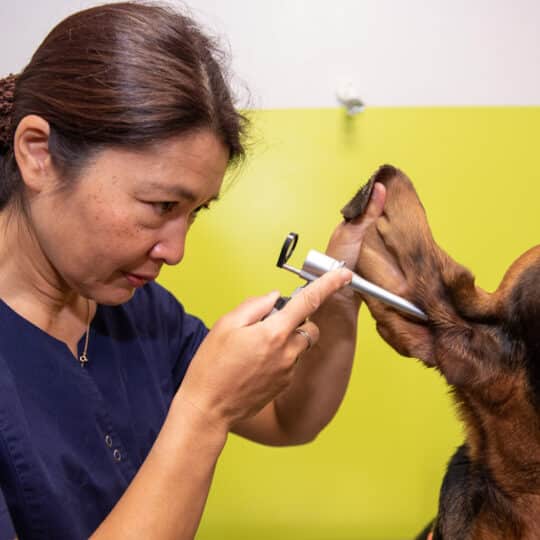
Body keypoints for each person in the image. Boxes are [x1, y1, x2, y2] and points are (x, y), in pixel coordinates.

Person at [0, 2, 385, 539]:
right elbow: (211, 410)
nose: (176, 251)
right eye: (160, 206)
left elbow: (290, 419)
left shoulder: (140, 312)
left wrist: (339, 293)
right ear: (38, 154)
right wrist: (204, 413)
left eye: (195, 212)